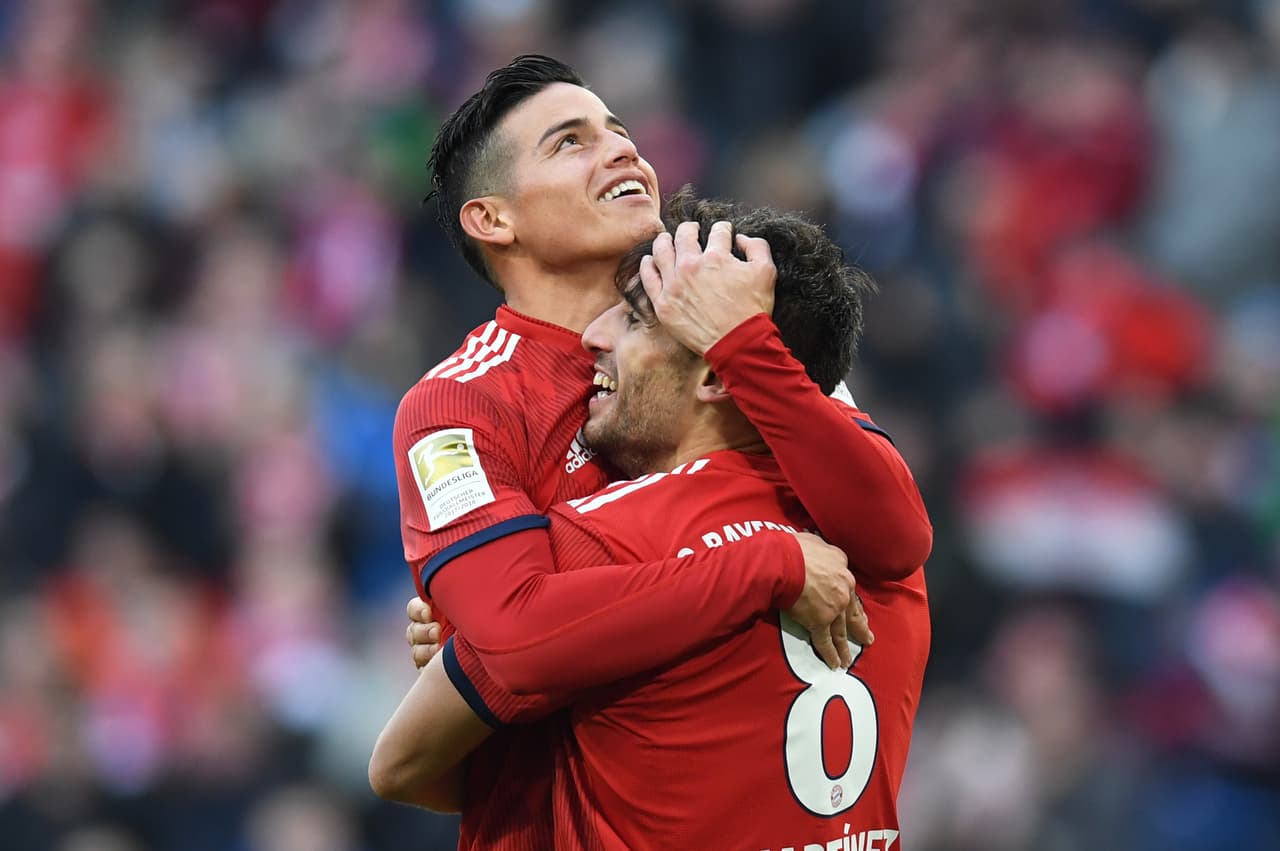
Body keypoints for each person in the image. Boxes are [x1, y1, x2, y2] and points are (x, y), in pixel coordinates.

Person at [389, 54, 932, 848]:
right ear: (493, 219)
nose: (620, 150)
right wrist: (767, 563)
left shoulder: (722, 313)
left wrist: (744, 342)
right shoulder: (458, 405)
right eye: (569, 142)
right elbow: (512, 639)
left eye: (618, 130)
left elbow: (897, 534)